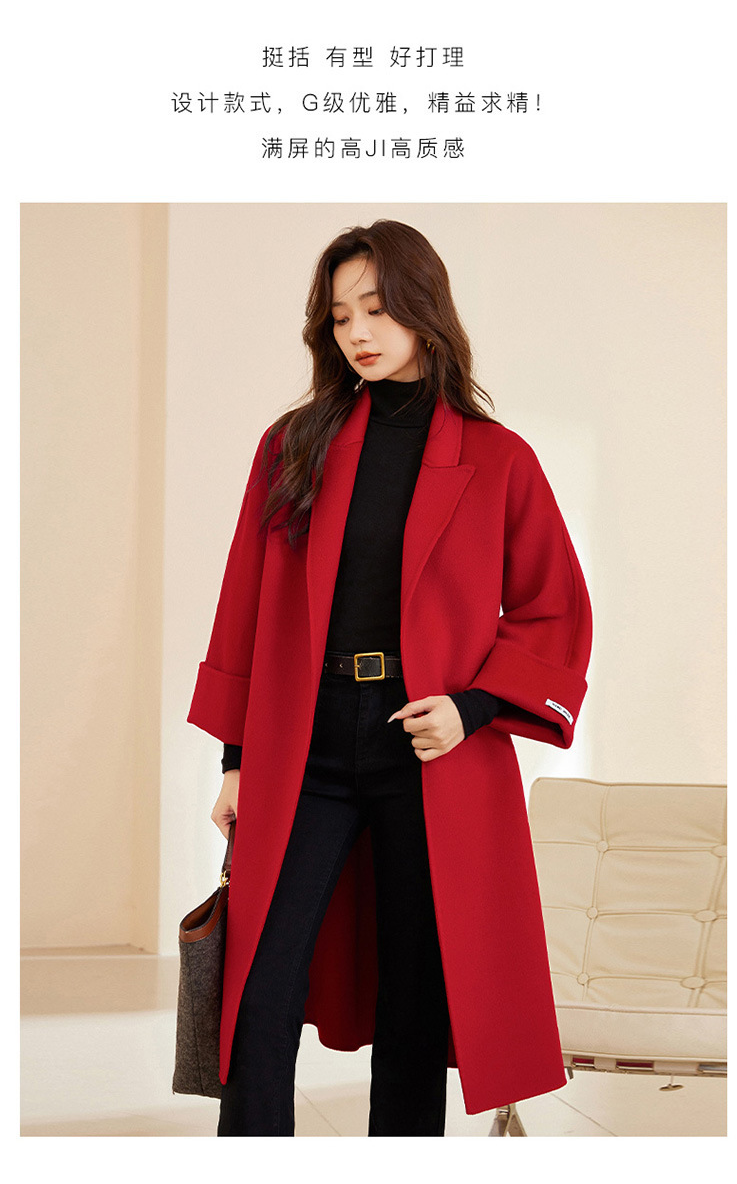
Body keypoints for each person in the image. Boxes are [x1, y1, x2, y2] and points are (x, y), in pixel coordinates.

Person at [187, 219, 593, 1137]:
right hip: (308, 740)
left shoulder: (498, 458)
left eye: (376, 307)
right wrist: (235, 758)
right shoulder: (293, 445)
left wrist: (473, 707)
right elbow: (244, 605)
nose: (358, 332)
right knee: (260, 984)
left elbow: (554, 609)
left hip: (427, 747)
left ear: (423, 308)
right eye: (340, 316)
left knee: (417, 995)